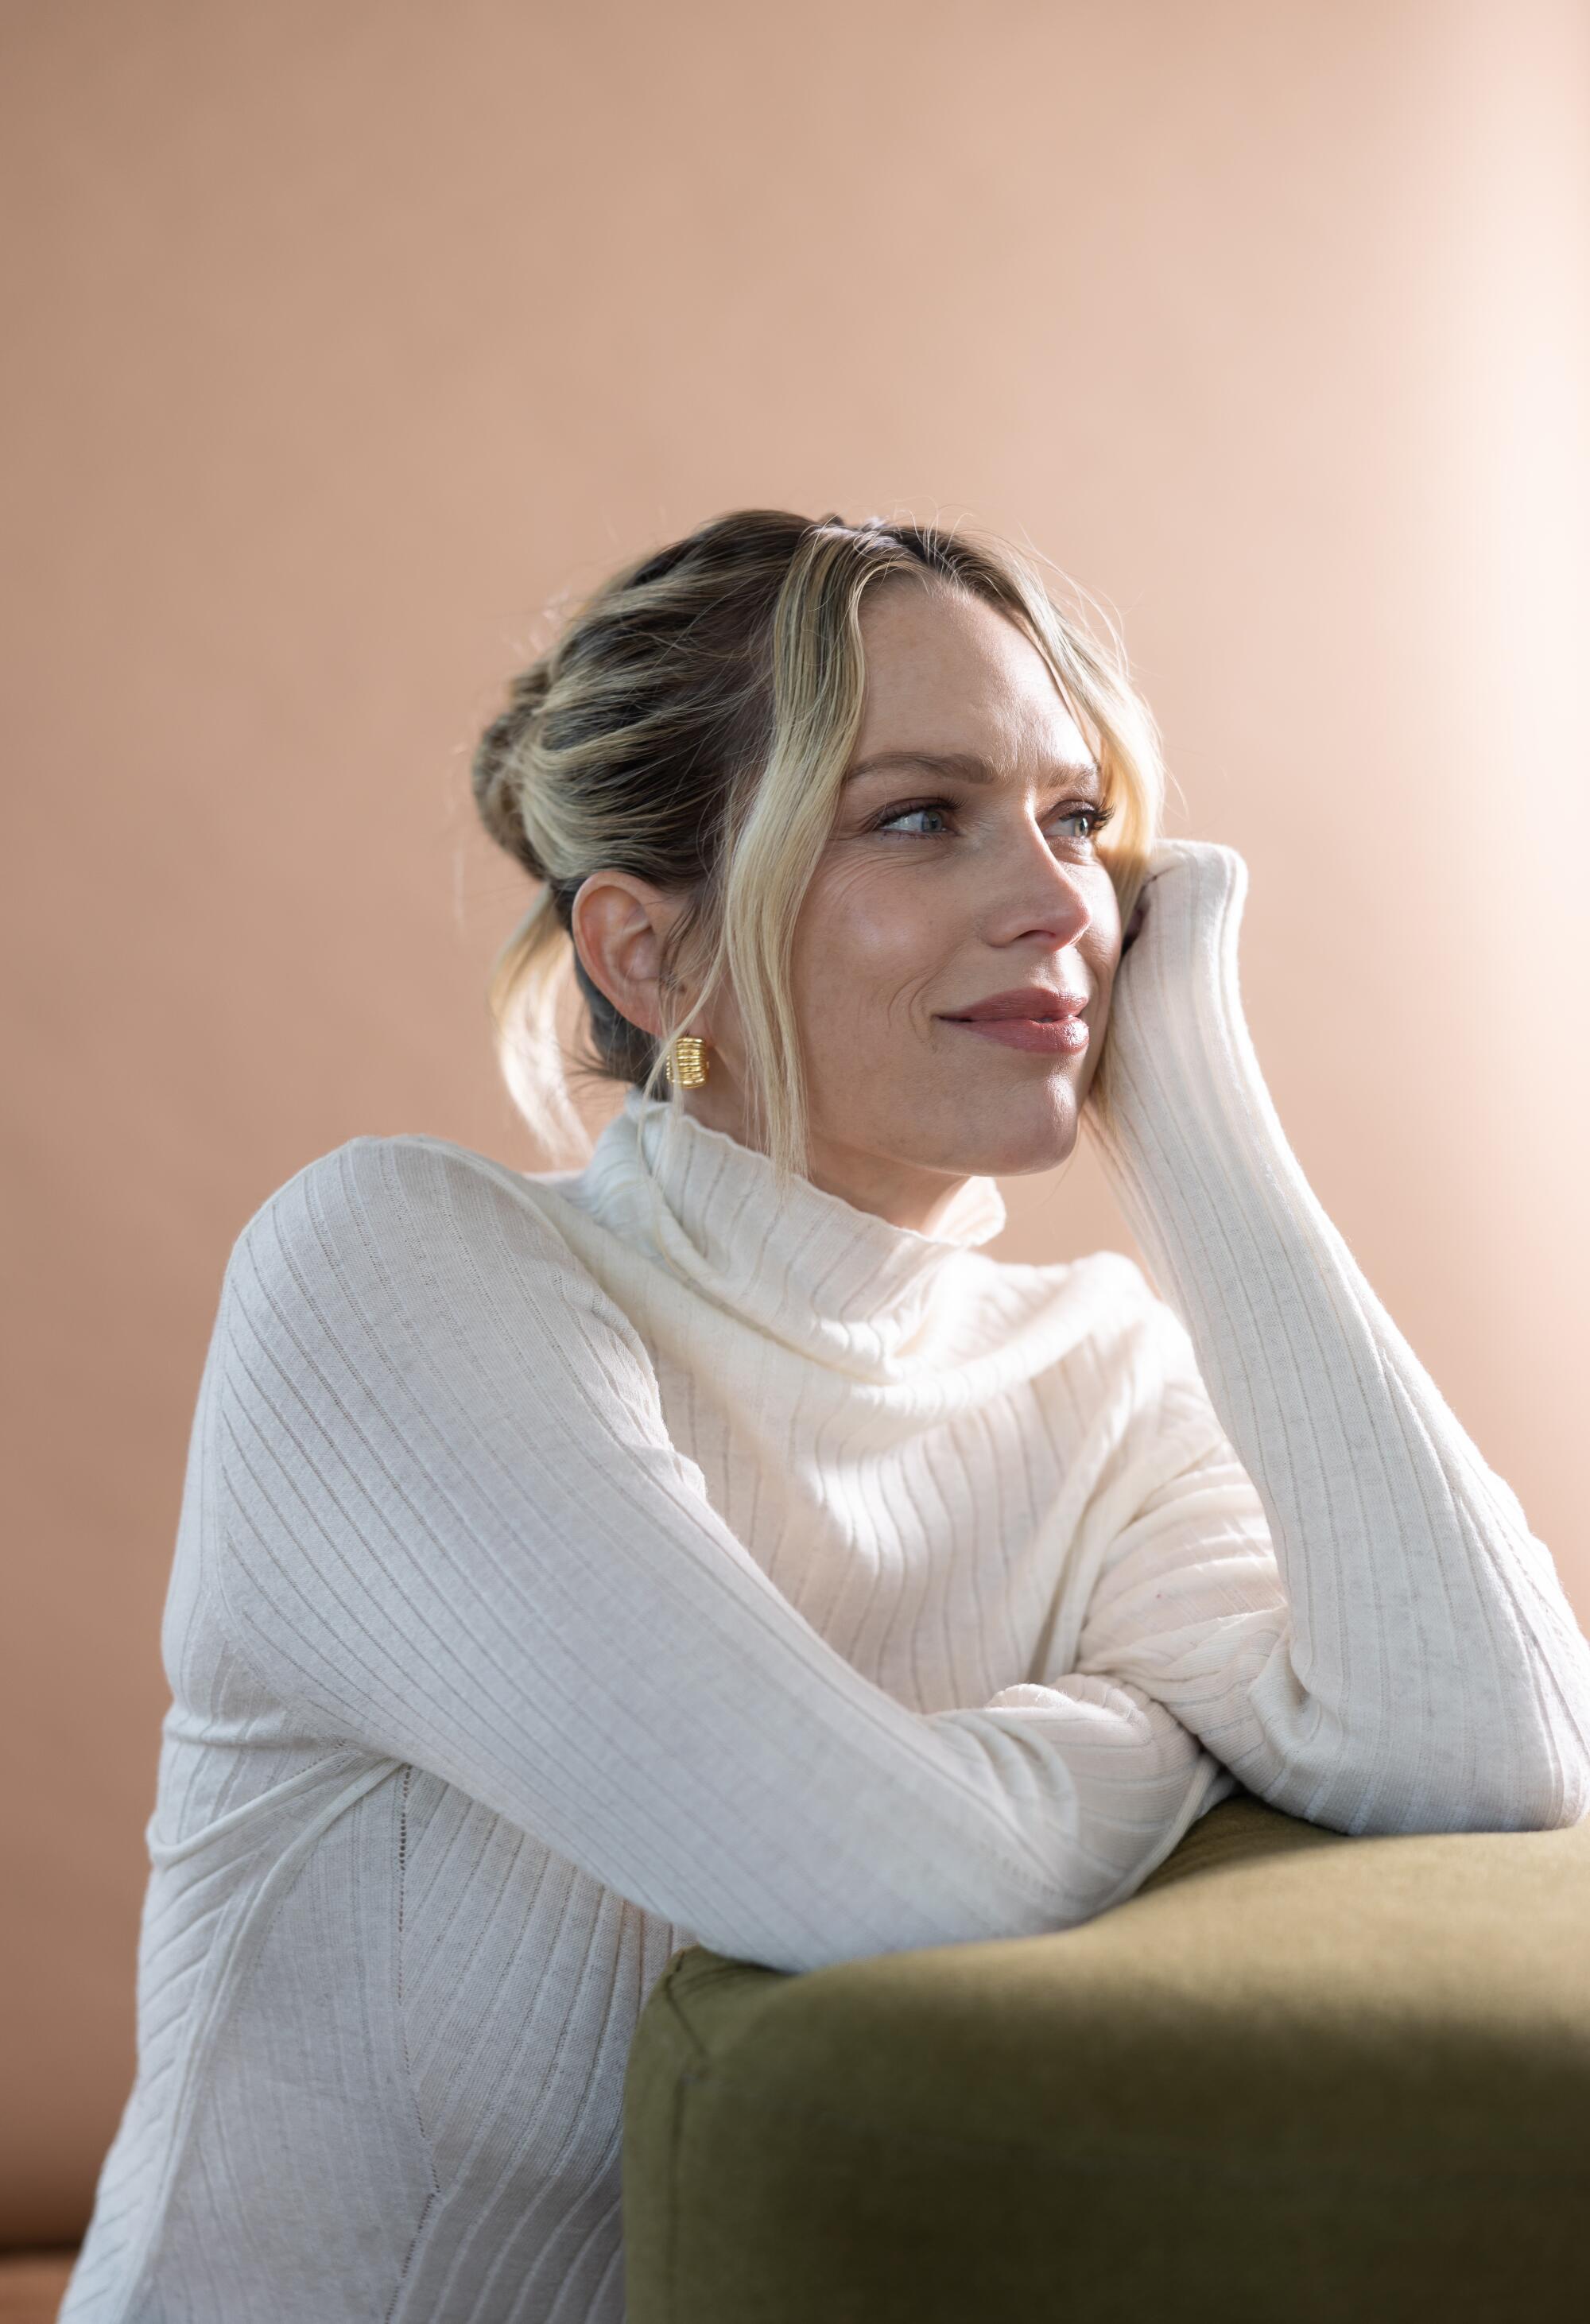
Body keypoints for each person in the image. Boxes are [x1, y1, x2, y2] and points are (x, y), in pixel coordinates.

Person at [60, 510, 1590, 2324]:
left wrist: (1194, 1117)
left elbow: (1503, 1755)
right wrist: (1148, 1729)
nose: (1058, 903)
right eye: (919, 816)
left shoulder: (1095, 1373)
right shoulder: (394, 1277)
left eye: (1077, 818)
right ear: (647, 957)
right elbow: (869, 1876)